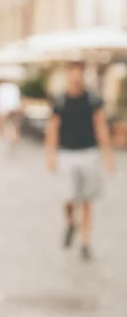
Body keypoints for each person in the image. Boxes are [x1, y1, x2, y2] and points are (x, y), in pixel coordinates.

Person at [45, 61, 115, 261]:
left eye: (79, 74)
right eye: (73, 74)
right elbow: (53, 129)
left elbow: (101, 127)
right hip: (67, 154)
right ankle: (70, 223)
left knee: (86, 200)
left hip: (89, 152)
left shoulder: (93, 100)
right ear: (68, 76)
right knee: (68, 197)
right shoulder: (60, 101)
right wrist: (50, 155)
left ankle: (85, 241)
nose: (76, 78)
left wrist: (108, 155)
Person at [0, 80, 23, 152]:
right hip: (14, 107)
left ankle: (1, 134)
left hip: (3, 108)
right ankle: (16, 136)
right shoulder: (14, 87)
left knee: (2, 120)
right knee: (15, 123)